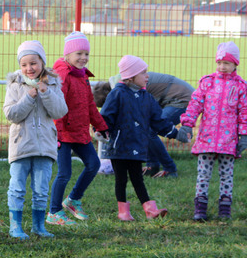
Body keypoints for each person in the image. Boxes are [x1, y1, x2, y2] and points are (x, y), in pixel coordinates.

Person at [99, 55, 189, 221]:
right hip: (119, 146)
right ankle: (123, 212)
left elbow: (158, 120)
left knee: (138, 178)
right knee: (121, 179)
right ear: (130, 76)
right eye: (143, 73)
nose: (147, 76)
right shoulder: (117, 94)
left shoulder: (146, 97)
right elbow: (106, 115)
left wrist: (176, 133)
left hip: (137, 145)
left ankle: (150, 210)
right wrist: (101, 130)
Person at [4, 41, 68, 239]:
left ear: (42, 62)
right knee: (17, 187)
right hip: (21, 145)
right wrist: (29, 97)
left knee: (41, 189)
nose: (29, 68)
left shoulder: (53, 83)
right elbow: (11, 114)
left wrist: (46, 93)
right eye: (24, 64)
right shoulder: (15, 84)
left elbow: (60, 111)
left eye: (33, 63)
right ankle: (15, 226)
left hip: (45, 146)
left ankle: (39, 226)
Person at [180, 41, 247, 221]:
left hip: (228, 141)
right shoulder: (207, 82)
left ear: (235, 64)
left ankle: (224, 210)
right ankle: (200, 209)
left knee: (227, 176)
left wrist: (244, 135)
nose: (222, 66)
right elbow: (195, 104)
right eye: (219, 62)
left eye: (227, 63)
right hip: (206, 139)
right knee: (203, 175)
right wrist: (188, 123)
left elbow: (244, 112)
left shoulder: (241, 86)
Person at [47, 31, 108, 226]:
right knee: (64, 173)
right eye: (79, 54)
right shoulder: (63, 75)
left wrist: (100, 125)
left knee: (94, 164)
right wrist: (56, 133)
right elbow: (57, 106)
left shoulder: (83, 76)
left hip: (79, 131)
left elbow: (90, 104)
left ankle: (73, 199)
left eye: (86, 54)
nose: (83, 58)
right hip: (63, 133)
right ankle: (54, 212)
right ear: (67, 55)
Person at [93, 72, 195, 178]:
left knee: (150, 131)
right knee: (146, 129)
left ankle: (170, 169)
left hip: (182, 98)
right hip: (171, 98)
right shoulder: (121, 83)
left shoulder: (124, 90)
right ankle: (152, 166)